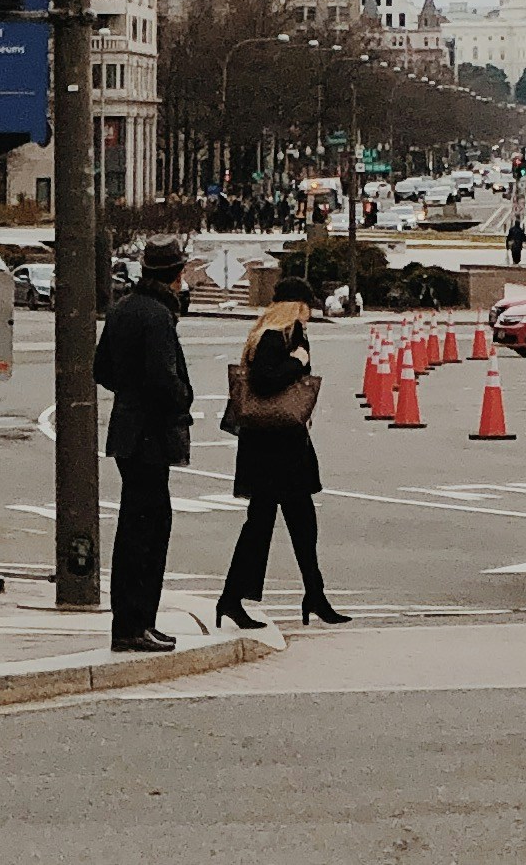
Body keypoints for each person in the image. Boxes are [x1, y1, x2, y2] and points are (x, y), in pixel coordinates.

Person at [216, 283, 347, 631]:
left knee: (299, 523)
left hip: (277, 446)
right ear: (297, 306)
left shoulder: (279, 333)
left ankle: (314, 595)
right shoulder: (276, 337)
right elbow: (264, 381)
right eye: (307, 305)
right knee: (263, 526)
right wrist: (296, 362)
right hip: (274, 449)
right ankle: (233, 598)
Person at [94, 236, 195, 652]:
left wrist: (129, 393)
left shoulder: (122, 310)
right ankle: (135, 624)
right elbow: (163, 379)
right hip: (151, 435)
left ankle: (134, 622)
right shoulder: (157, 317)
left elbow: (101, 368)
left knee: (137, 526)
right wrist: (181, 397)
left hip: (127, 430)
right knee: (149, 531)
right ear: (174, 275)